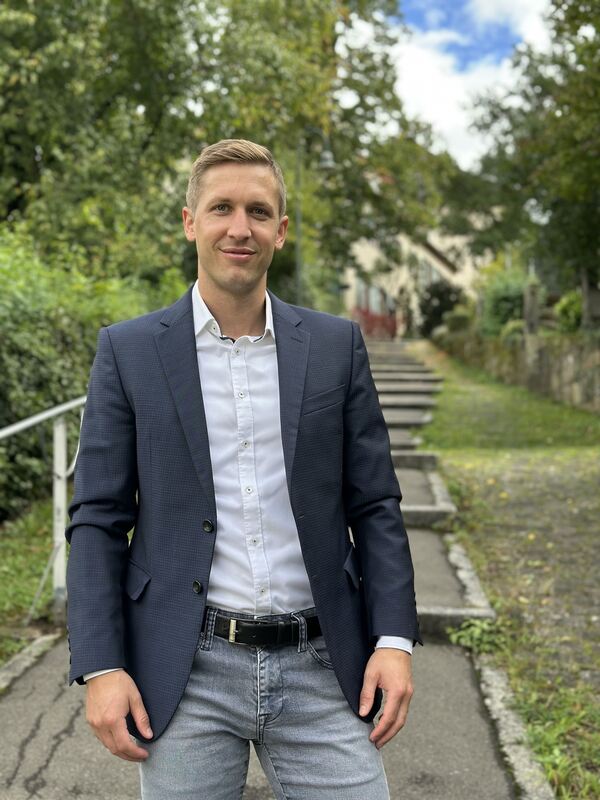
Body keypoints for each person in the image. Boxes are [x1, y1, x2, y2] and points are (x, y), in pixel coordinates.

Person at [65, 138, 421, 800]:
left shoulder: (337, 346)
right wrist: (101, 665)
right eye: (221, 208)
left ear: (280, 231)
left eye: (258, 212)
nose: (240, 228)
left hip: (323, 665)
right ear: (190, 222)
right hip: (185, 670)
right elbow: (97, 518)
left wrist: (394, 640)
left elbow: (375, 503)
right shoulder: (128, 351)